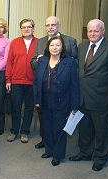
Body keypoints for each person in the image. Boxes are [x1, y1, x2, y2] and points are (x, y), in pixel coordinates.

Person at [69, 19, 108, 171]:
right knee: (84, 127)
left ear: (103, 31)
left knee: (101, 130)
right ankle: (85, 152)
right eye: (90, 31)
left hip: (101, 96)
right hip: (83, 95)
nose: (92, 33)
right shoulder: (82, 46)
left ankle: (100, 157)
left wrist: (101, 85)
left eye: (96, 31)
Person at [31, 16, 78, 149]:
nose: (50, 27)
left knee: (58, 127)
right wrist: (39, 61)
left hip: (61, 97)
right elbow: (34, 67)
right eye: (47, 25)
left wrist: (74, 103)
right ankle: (47, 146)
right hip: (45, 97)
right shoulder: (41, 47)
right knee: (46, 124)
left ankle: (57, 152)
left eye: (53, 25)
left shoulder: (70, 48)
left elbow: (75, 74)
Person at [33, 36, 80, 166]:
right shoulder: (42, 61)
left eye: (57, 45)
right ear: (48, 47)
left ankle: (57, 155)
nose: (54, 47)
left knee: (59, 129)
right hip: (45, 101)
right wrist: (36, 99)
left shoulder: (69, 62)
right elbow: (36, 82)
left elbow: (74, 85)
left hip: (62, 101)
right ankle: (49, 150)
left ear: (62, 47)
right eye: (52, 45)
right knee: (47, 128)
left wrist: (74, 105)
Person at [5, 19, 38, 143]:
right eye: (24, 27)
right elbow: (9, 62)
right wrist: (8, 79)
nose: (26, 29)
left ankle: (25, 132)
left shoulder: (39, 43)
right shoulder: (15, 42)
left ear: (33, 28)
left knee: (29, 108)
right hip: (16, 82)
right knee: (16, 108)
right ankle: (14, 131)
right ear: (21, 29)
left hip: (32, 82)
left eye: (29, 27)